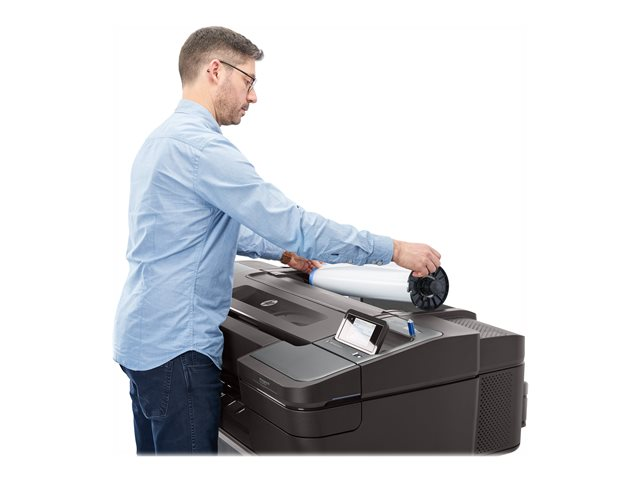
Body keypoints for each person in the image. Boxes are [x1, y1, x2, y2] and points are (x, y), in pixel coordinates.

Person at [114, 26, 441, 455]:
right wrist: (393, 250)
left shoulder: (160, 141)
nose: (253, 96)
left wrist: (285, 254)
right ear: (216, 70)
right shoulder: (203, 150)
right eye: (248, 80)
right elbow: (294, 224)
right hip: (180, 351)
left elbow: (201, 227)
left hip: (142, 342)